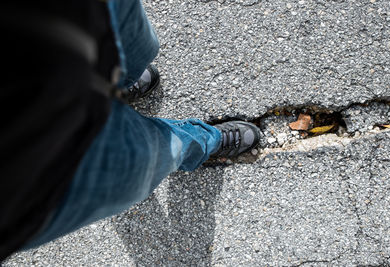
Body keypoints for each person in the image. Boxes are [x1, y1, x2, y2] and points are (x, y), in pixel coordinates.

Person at [0, 0, 260, 262]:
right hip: (35, 177)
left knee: (140, 47)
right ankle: (204, 140)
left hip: (64, 16)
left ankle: (116, 85)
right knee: (155, 155)